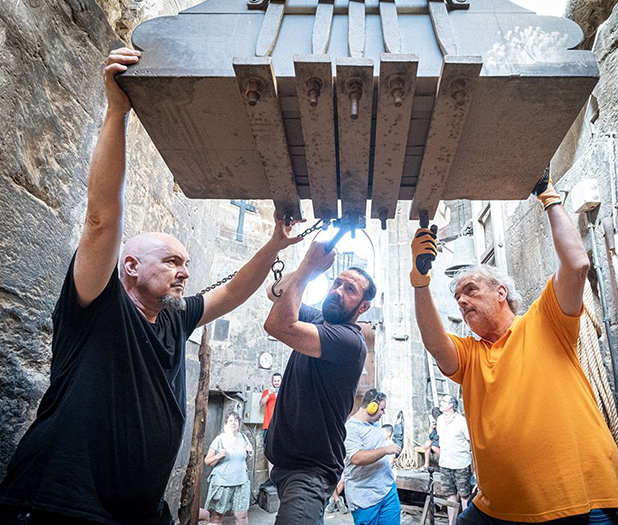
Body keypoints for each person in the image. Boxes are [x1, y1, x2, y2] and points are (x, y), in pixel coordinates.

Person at [0, 48, 302, 525]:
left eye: (187, 262)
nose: (184, 271)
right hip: (70, 505)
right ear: (131, 267)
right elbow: (101, 220)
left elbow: (233, 292)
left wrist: (274, 243)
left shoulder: (175, 318)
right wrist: (117, 111)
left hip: (141, 512)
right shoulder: (98, 305)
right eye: (172, 261)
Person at [410, 176, 618, 524]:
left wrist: (547, 194)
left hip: (579, 500)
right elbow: (436, 345)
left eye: (470, 290)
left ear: (501, 293)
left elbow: (576, 266)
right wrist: (420, 281)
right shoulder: (470, 354)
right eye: (457, 298)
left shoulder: (544, 322)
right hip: (498, 507)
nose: (462, 301)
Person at [263, 241, 377, 524]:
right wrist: (308, 268)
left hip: (311, 471)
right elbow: (274, 292)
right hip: (287, 464)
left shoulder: (350, 341)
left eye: (349, 289)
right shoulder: (319, 318)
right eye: (337, 283)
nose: (338, 290)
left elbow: (277, 325)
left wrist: (308, 266)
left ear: (363, 306)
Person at [342, 389, 402, 525]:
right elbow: (356, 457)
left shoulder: (374, 423)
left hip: (386, 488)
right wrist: (385, 450)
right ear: (371, 406)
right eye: (382, 409)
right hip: (364, 495)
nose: (383, 413)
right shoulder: (351, 428)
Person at [204, 412, 253, 525]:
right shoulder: (219, 439)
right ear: (225, 425)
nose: (234, 422)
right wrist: (218, 455)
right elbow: (207, 461)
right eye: (230, 420)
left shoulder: (244, 438)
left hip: (241, 482)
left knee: (242, 515)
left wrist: (250, 453)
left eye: (236, 420)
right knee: (217, 515)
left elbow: (246, 460)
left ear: (239, 423)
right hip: (222, 483)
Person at [435, 395, 472, 525]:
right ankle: (452, 522)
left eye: (444, 401)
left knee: (464, 495)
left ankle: (466, 522)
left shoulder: (462, 421)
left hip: (461, 463)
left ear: (451, 405)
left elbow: (470, 440)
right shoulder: (439, 420)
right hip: (445, 463)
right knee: (450, 495)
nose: (441, 402)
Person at [260, 372, 282, 475]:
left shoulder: (285, 392)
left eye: (278, 381)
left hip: (281, 427)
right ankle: (271, 476)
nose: (276, 383)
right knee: (269, 451)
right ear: (272, 381)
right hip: (268, 426)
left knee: (281, 451)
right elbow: (261, 403)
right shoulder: (267, 392)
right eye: (275, 381)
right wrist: (269, 393)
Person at [421, 407, 442, 471]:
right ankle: (426, 465)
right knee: (427, 443)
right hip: (436, 439)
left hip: (441, 440)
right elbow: (431, 436)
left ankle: (443, 464)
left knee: (434, 447)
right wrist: (431, 427)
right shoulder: (434, 422)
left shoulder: (443, 421)